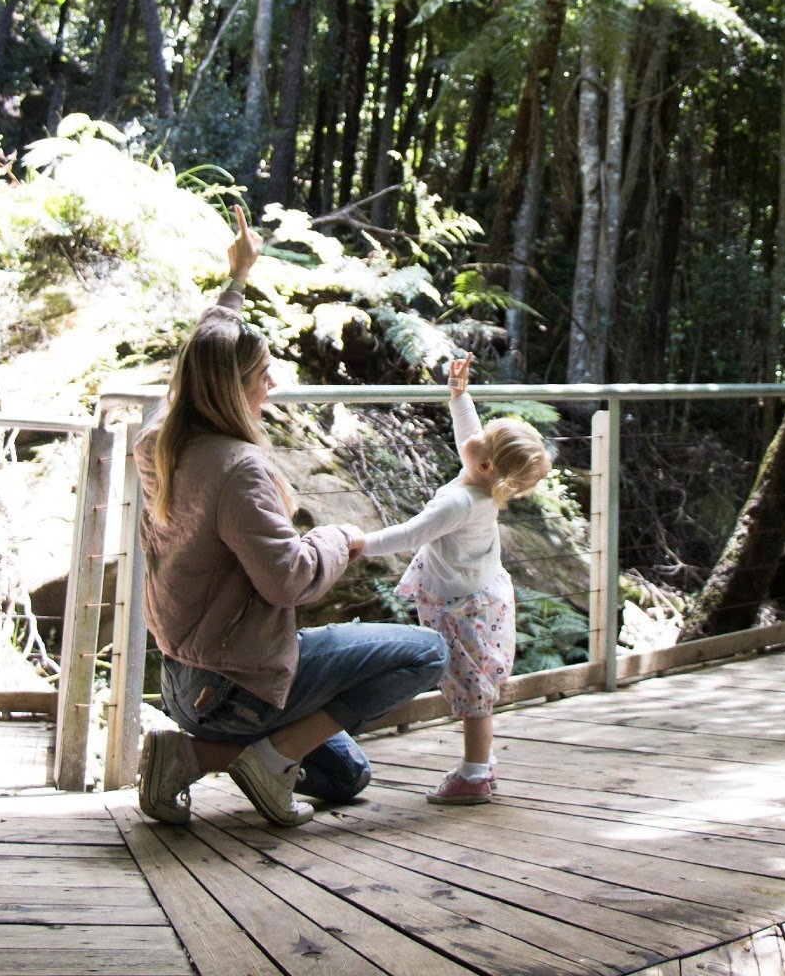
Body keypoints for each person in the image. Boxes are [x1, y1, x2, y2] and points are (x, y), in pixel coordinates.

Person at [134, 205, 448, 829]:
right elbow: (287, 581)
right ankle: (221, 754)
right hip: (234, 685)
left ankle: (217, 753)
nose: (273, 381)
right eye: (262, 373)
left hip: (184, 680)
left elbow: (205, 351)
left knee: (346, 775)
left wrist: (237, 280)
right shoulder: (238, 468)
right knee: (429, 652)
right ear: (230, 388)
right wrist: (338, 538)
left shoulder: (161, 442)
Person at [357, 353, 551, 806]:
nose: (474, 435)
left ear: (486, 465)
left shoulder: (459, 503)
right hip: (482, 596)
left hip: (463, 607)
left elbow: (410, 534)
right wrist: (458, 394)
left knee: (471, 692)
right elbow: (471, 438)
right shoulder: (483, 482)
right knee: (477, 688)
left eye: (483, 439)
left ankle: (474, 774)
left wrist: (358, 544)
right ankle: (481, 761)